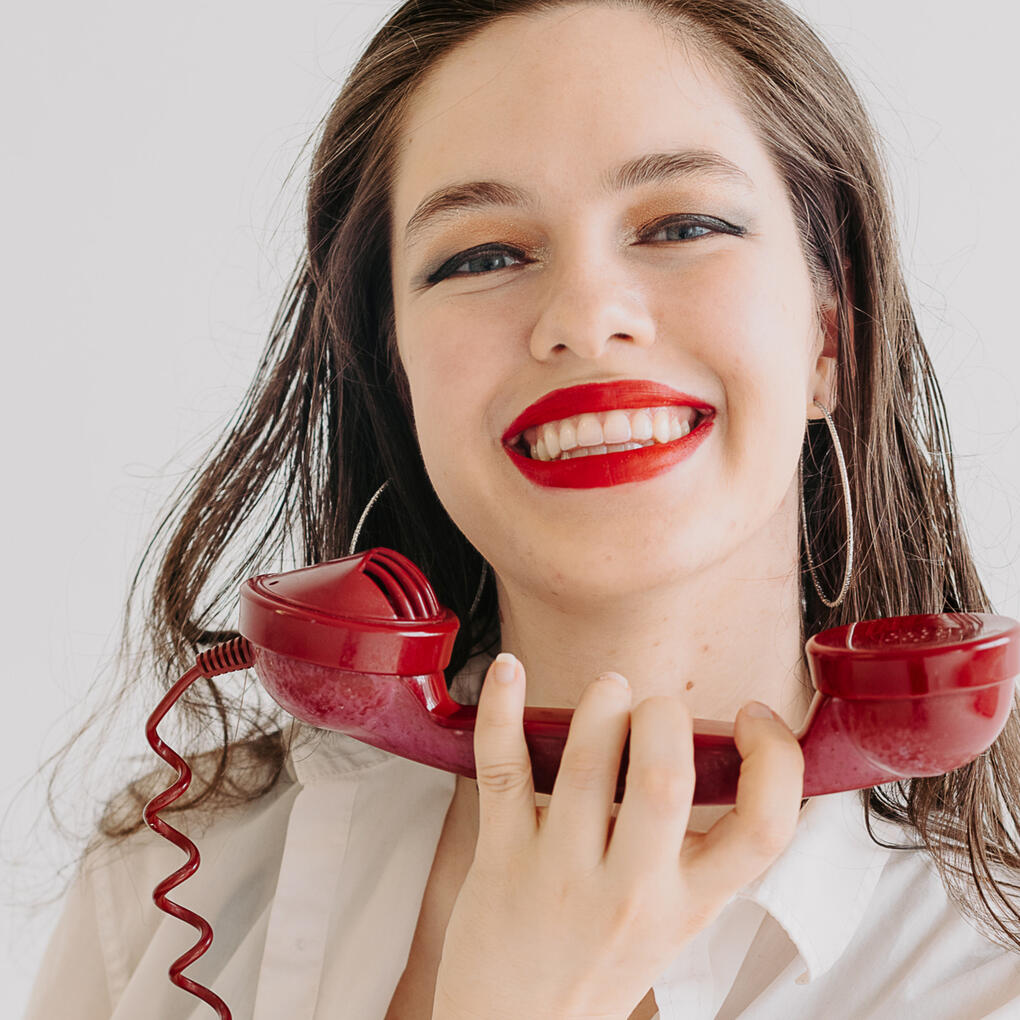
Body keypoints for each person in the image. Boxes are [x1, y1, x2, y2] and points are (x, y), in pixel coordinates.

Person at [25, 0, 1020, 1017]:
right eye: (480, 256)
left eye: (684, 225)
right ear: (401, 369)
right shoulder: (169, 873)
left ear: (830, 336)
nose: (586, 317)